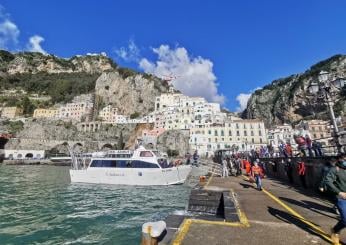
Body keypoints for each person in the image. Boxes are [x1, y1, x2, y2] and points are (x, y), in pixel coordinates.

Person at [325, 155, 346, 244]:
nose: (345, 160)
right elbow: (328, 181)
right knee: (345, 220)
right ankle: (335, 231)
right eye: (344, 159)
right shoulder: (335, 169)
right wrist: (339, 192)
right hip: (341, 197)